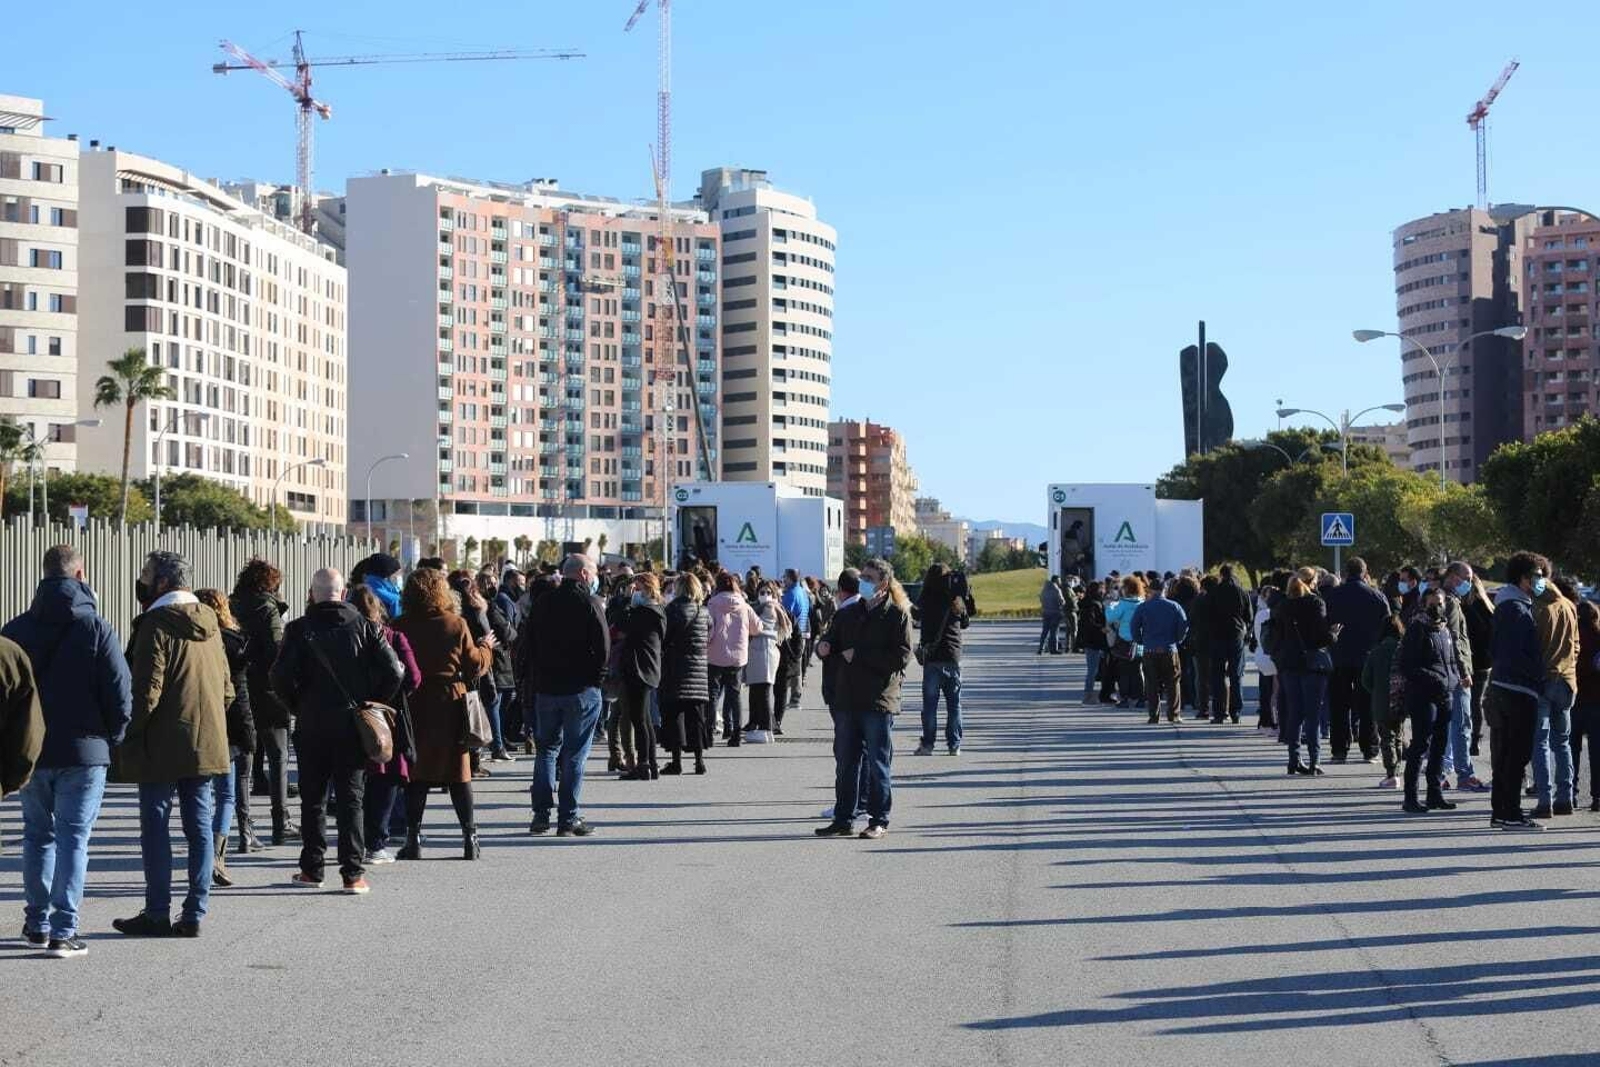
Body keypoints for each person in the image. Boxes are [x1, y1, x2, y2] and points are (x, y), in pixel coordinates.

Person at [5, 545, 128, 957]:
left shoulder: (15, 630)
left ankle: (37, 924)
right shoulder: (96, 628)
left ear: (44, 575)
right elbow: (120, 694)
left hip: (31, 751)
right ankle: (63, 931)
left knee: (37, 836)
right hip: (84, 751)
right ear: (80, 575)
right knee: (74, 838)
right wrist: (112, 739)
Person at [112, 551, 232, 939]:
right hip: (206, 741)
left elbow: (146, 692)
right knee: (199, 829)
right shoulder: (211, 621)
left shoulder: (155, 623)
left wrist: (127, 735)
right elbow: (227, 689)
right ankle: (195, 912)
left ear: (162, 582)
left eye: (146, 574)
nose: (141, 581)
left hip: (160, 745)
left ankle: (156, 912)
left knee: (156, 828)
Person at [272, 569, 404, 892]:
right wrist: (371, 701)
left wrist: (297, 705)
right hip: (352, 724)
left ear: (312, 593)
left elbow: (278, 676)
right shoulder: (366, 626)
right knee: (351, 799)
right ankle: (352, 874)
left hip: (311, 723)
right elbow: (394, 671)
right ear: (343, 593)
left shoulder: (298, 629)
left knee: (313, 800)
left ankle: (312, 869)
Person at [393, 568, 494, 859]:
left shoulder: (400, 624)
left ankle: (413, 839)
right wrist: (486, 648)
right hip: (450, 701)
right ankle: (470, 838)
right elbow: (474, 665)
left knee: (417, 775)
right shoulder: (455, 623)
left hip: (413, 703)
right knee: (459, 773)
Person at [815, 558, 912, 840]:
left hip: (878, 700)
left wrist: (860, 656)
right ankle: (843, 818)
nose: (863, 582)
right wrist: (824, 646)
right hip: (847, 699)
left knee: (878, 764)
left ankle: (878, 820)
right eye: (862, 577)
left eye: (869, 578)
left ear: (883, 583)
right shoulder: (848, 613)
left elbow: (901, 657)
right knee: (846, 763)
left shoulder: (896, 615)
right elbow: (830, 640)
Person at [520, 554, 609, 837]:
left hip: (547, 688)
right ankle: (568, 817)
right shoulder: (590, 603)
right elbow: (603, 648)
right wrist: (596, 680)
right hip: (581, 689)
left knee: (546, 751)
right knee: (574, 754)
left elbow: (528, 643)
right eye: (593, 573)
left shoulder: (543, 602)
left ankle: (541, 814)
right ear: (583, 574)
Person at [348, 584, 420, 864]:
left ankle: (353, 841)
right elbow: (413, 677)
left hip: (349, 713)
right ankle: (376, 843)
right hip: (386, 715)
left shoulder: (344, 638)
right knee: (386, 776)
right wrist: (392, 697)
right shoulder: (393, 637)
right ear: (379, 610)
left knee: (352, 781)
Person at [192, 590, 253, 889]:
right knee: (226, 795)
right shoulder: (235, 643)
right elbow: (239, 694)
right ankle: (217, 853)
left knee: (201, 793)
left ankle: (205, 853)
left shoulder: (190, 640)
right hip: (228, 726)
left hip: (197, 723)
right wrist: (248, 733)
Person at [230, 560, 294, 846]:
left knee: (243, 761)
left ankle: (245, 828)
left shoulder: (230, 605)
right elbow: (276, 650)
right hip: (267, 689)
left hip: (239, 688)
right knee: (278, 756)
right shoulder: (268, 609)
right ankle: (281, 822)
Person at [1398, 587, 1460, 814]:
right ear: (1424, 605)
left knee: (1440, 745)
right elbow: (1408, 666)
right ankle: (1410, 797)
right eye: (1432, 604)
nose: (1437, 607)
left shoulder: (1444, 629)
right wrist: (1435, 679)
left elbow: (1451, 661)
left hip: (1446, 694)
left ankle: (1434, 794)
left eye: (1440, 603)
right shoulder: (1417, 628)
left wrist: (1454, 679)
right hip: (1423, 696)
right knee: (1420, 745)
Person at [1323, 556, 1390, 762]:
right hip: (1368, 657)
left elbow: (1323, 623)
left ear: (1345, 573)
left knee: (1338, 704)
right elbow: (1388, 626)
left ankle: (1339, 749)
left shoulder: (1333, 595)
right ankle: (1369, 748)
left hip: (1338, 656)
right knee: (1368, 705)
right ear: (1365, 572)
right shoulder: (1377, 596)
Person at [1275, 572, 1332, 777]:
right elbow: (1320, 636)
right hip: (1312, 664)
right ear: (1310, 583)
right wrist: (1333, 635)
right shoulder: (1316, 603)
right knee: (1313, 714)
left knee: (1295, 713)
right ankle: (1314, 760)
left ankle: (1294, 759)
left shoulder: (1283, 606)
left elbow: (1278, 636)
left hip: (1289, 664)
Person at [659, 572, 710, 776]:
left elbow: (664, 637)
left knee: (674, 716)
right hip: (698, 670)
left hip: (675, 668)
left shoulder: (672, 610)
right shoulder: (703, 611)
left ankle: (676, 762)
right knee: (696, 717)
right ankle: (699, 761)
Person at [617, 573, 667, 780]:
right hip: (650, 667)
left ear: (647, 589)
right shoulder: (658, 610)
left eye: (636, 589)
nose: (634, 593)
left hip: (639, 668)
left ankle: (644, 764)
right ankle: (651, 764)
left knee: (638, 719)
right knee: (645, 718)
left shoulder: (644, 612)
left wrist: (625, 601)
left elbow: (622, 625)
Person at [915, 564, 968, 755]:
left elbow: (915, 616)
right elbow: (965, 622)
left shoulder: (925, 599)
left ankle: (928, 744)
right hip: (953, 657)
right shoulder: (955, 599)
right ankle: (954, 745)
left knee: (930, 705)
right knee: (954, 705)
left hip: (932, 658)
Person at [706, 572, 761, 747]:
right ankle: (736, 734)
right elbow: (757, 628)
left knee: (713, 694)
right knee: (735, 695)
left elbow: (709, 631)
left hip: (714, 655)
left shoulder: (712, 604)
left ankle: (709, 732)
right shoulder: (744, 605)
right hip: (737, 657)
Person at [1131, 579, 1188, 724]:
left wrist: (1141, 641)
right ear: (1165, 589)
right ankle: (1174, 715)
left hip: (1150, 649)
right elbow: (1184, 625)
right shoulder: (1174, 606)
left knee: (1152, 684)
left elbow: (1134, 627)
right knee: (1173, 683)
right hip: (1169, 649)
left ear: (1150, 590)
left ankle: (1153, 715)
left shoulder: (1143, 607)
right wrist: (1177, 640)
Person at [477, 570, 519, 762]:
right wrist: (510, 631)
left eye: (494, 582)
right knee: (495, 702)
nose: (492, 586)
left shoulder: (489, 605)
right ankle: (497, 745)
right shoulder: (490, 608)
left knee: (498, 703)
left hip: (497, 658)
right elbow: (507, 632)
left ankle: (496, 741)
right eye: (488, 583)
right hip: (496, 660)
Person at [1362, 612, 1406, 789]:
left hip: (1382, 700)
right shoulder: (1403, 649)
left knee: (1387, 738)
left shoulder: (1376, 651)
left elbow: (1366, 679)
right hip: (1401, 699)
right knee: (1399, 736)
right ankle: (1398, 771)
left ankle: (1391, 774)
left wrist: (1375, 691)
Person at [1203, 564, 1252, 724]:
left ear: (1221, 575)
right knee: (1235, 674)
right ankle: (1236, 711)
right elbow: (1249, 616)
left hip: (1217, 635)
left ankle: (1219, 712)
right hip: (1236, 634)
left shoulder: (1214, 592)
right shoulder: (1241, 592)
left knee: (1217, 675)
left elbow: (1207, 615)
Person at [743, 580, 787, 741]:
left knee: (763, 692)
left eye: (769, 592)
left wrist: (747, 619)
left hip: (765, 652)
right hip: (759, 653)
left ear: (774, 594)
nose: (765, 595)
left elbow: (759, 628)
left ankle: (766, 729)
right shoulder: (758, 608)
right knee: (758, 691)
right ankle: (759, 726)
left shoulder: (770, 608)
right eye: (762, 592)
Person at [1103, 576, 1146, 709]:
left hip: (1124, 641)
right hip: (1139, 641)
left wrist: (1110, 605)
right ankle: (1141, 698)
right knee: (1138, 670)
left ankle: (1125, 698)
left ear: (1126, 588)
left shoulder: (1123, 604)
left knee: (1123, 672)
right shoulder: (1142, 603)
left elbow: (1110, 617)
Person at [781, 569, 811, 709]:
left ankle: (793, 698)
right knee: (796, 664)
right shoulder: (803, 592)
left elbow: (784, 615)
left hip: (793, 634)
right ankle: (795, 697)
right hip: (802, 631)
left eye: (785, 577)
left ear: (790, 578)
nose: (783, 580)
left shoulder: (790, 594)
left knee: (791, 665)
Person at [1252, 585, 1279, 731]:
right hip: (1273, 656)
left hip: (1262, 655)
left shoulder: (1260, 614)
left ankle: (1266, 720)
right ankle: (1274, 721)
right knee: (1276, 692)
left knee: (1265, 690)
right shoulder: (1273, 613)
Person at [1078, 581, 1109, 705]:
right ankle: (1088, 695)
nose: (1103, 591)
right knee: (1092, 670)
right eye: (1101, 589)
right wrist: (1101, 628)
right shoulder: (1092, 604)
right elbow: (1090, 623)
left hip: (1092, 640)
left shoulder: (1090, 602)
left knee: (1095, 669)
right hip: (1093, 641)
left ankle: (1090, 695)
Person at [1038, 576, 1066, 655]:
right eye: (1059, 580)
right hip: (1055, 613)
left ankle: (1041, 648)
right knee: (1054, 632)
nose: (1060, 582)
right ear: (1056, 581)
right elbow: (1061, 601)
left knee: (1045, 631)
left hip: (1046, 612)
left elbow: (1041, 599)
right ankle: (1053, 649)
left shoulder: (1044, 589)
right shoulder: (1057, 590)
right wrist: (1063, 603)